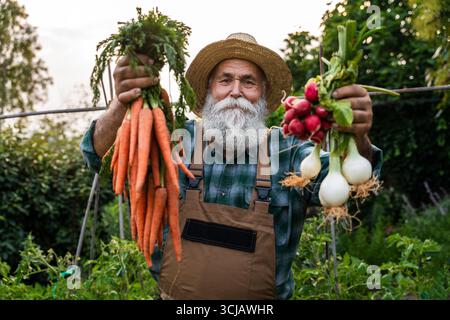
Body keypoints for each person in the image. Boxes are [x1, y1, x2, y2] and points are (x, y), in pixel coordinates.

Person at [80, 33, 382, 300]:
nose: (236, 91)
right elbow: (98, 157)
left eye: (248, 82)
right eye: (225, 80)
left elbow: (355, 188)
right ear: (209, 91)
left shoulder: (290, 151)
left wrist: (358, 137)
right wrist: (122, 103)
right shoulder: (173, 141)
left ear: (263, 96)